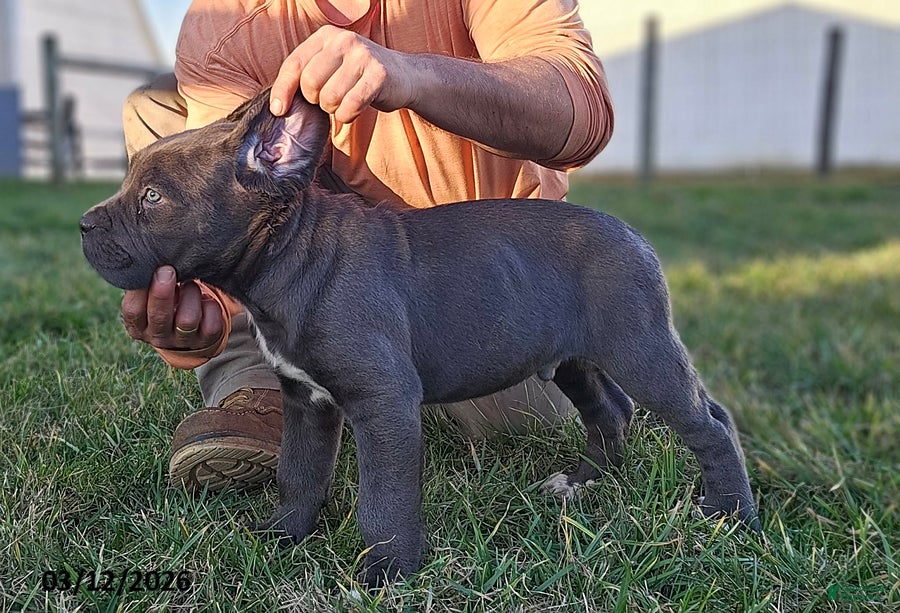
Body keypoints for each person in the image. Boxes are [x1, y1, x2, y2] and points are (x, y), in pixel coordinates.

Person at [121, 0, 614, 492]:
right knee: (158, 108)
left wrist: (411, 74)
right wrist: (207, 305)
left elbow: (581, 108)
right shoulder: (227, 15)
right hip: (321, 240)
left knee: (522, 421)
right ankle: (261, 383)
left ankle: (376, 374)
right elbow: (220, 206)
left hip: (466, 268)